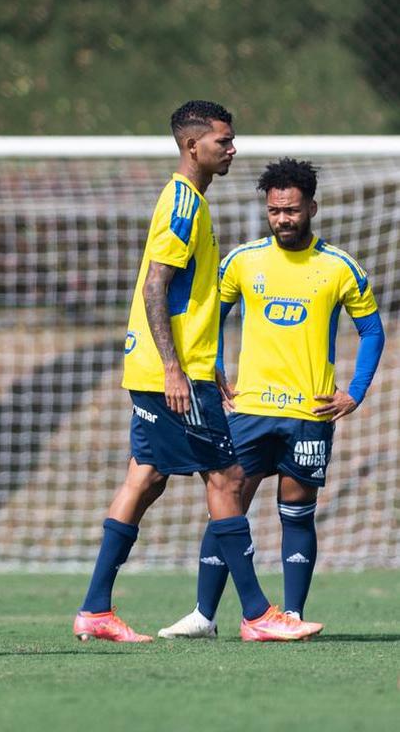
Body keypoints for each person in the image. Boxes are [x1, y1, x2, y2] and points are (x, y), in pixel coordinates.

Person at [72, 100, 324, 643]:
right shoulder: (183, 205)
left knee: (146, 476)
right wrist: (175, 369)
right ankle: (258, 614)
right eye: (223, 142)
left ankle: (95, 609)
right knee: (226, 477)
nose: (232, 149)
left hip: (177, 367)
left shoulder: (191, 201)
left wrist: (205, 363)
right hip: (171, 374)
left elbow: (186, 297)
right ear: (194, 147)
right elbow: (155, 286)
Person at [158, 158, 384, 638]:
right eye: (275, 210)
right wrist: (212, 364)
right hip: (250, 408)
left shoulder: (340, 267)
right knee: (228, 501)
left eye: (292, 210)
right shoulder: (242, 261)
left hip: (310, 410)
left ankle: (294, 615)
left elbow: (372, 331)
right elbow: (209, 315)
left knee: (297, 509)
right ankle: (204, 614)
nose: (283, 219)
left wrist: (356, 393)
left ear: (312, 209)